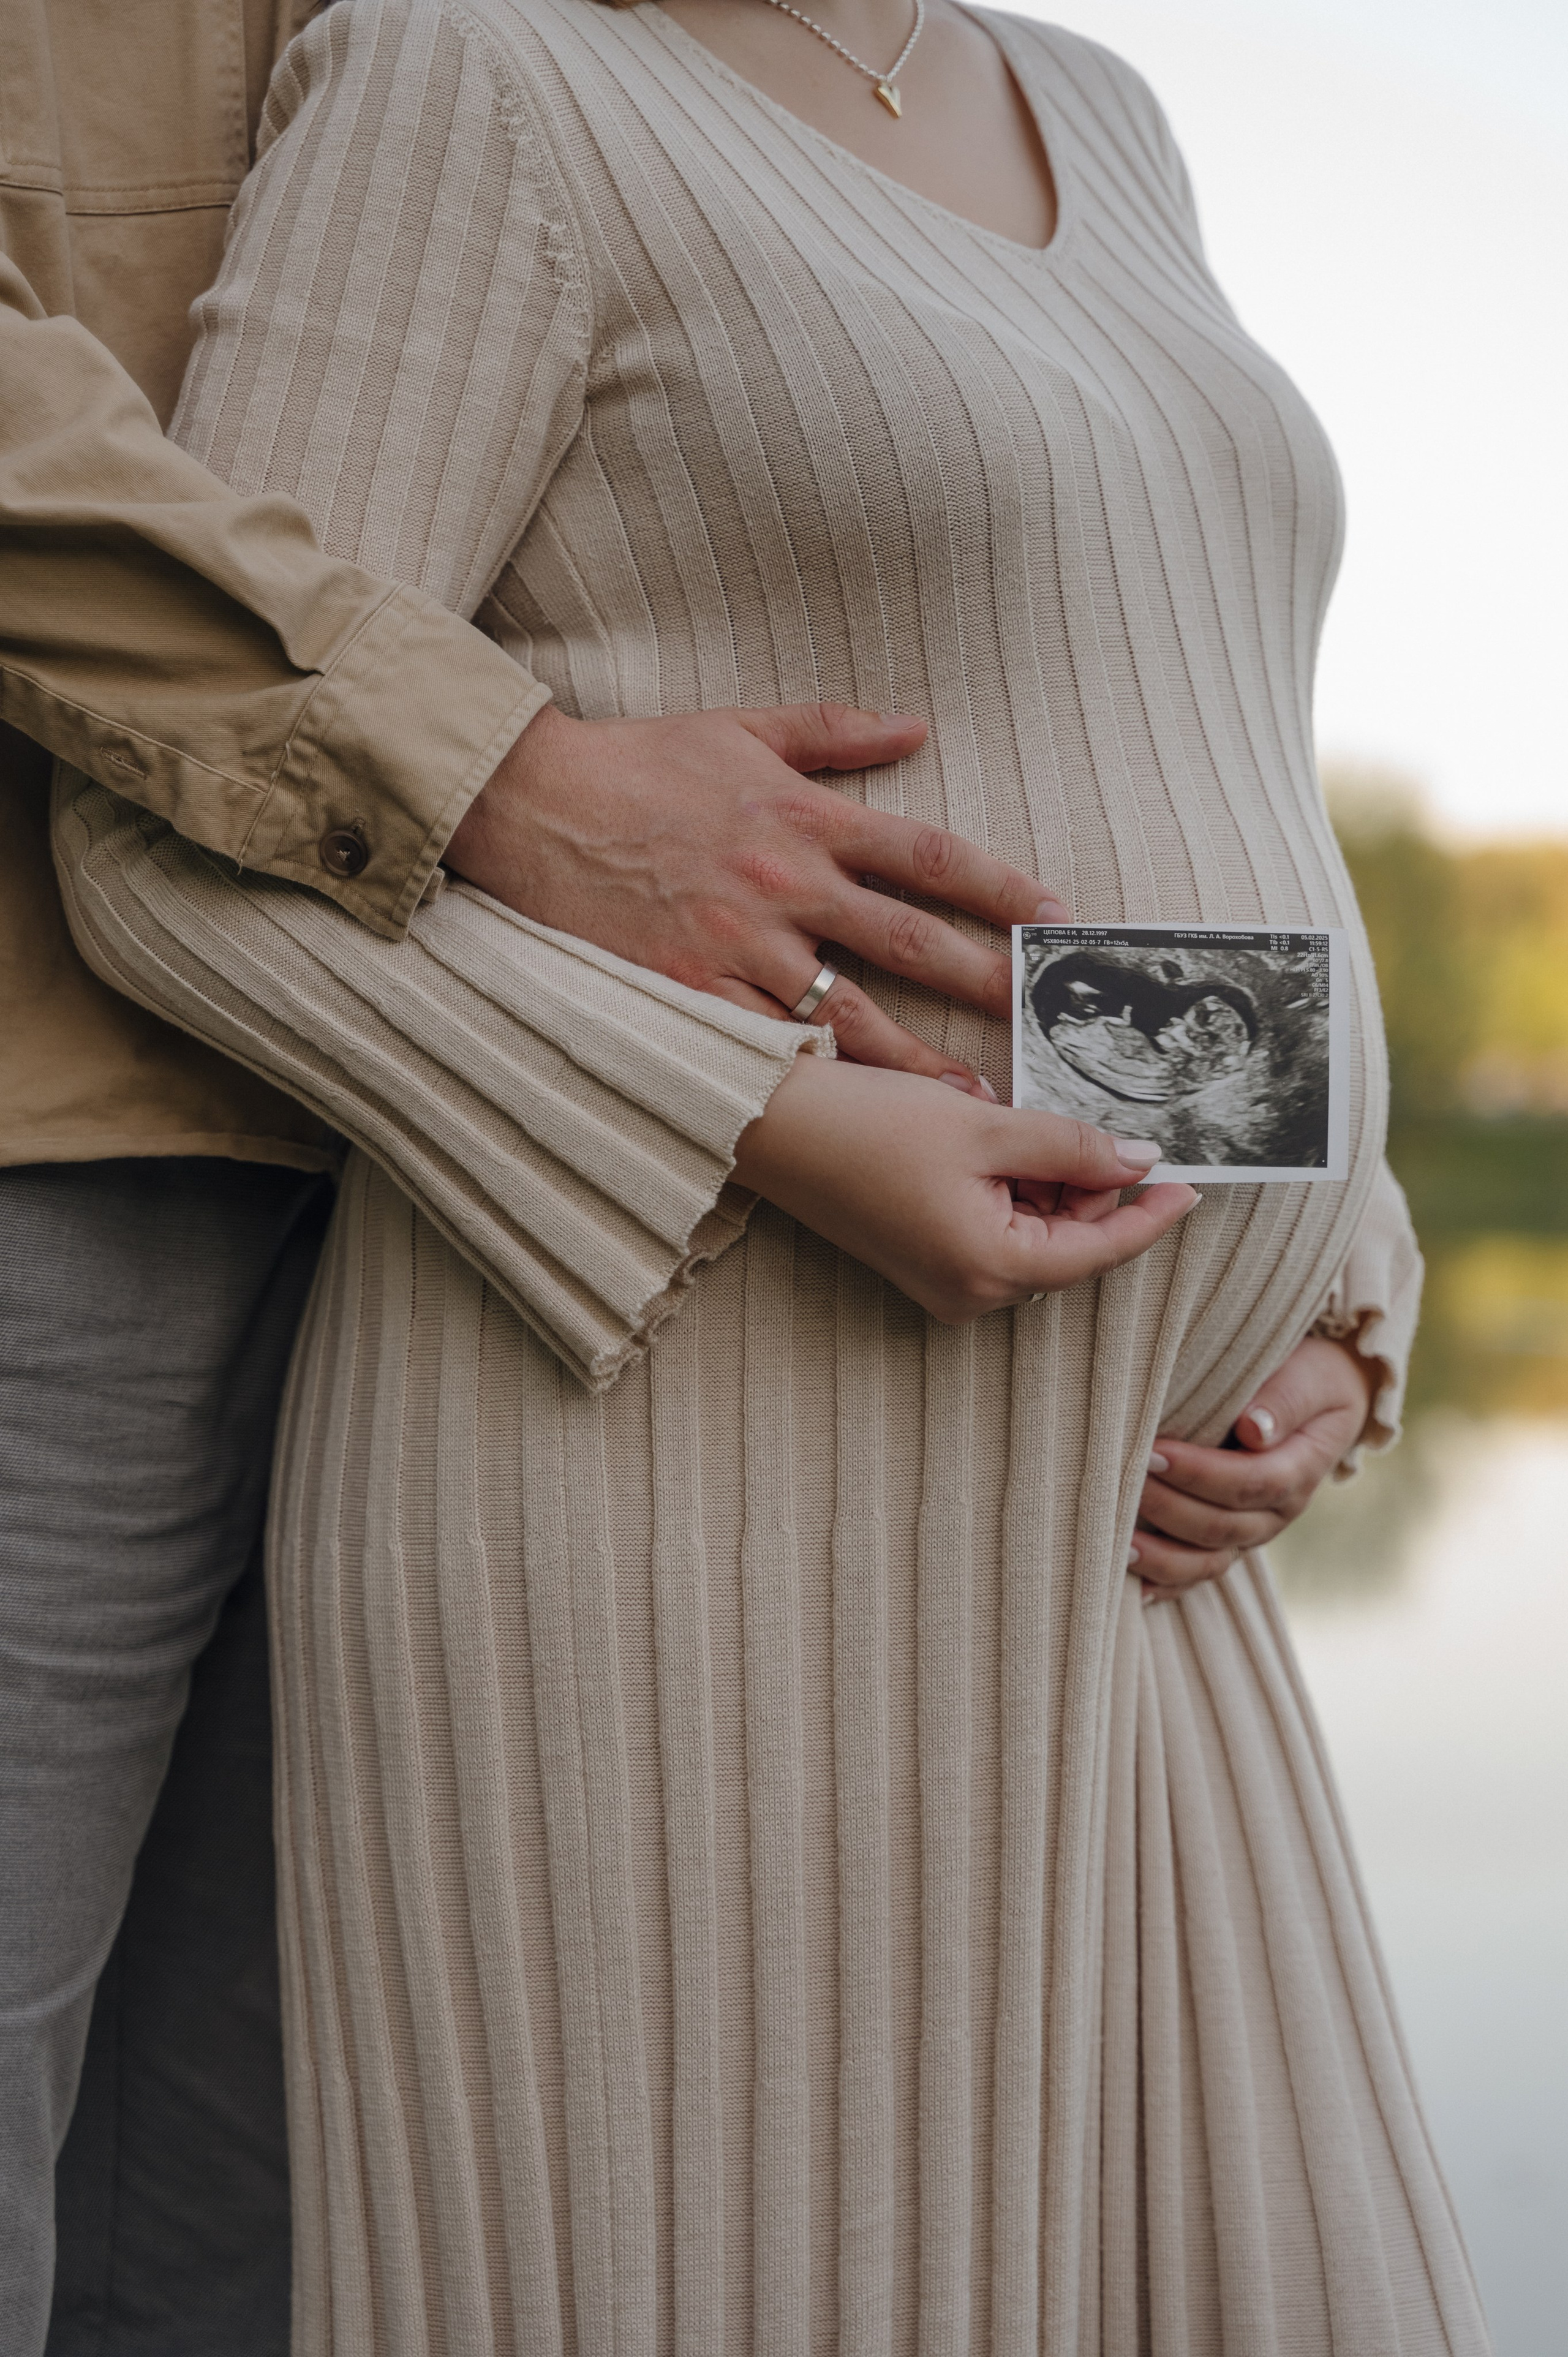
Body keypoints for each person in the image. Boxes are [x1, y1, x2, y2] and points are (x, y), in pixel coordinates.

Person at [51, 0, 1490, 2346]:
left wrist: (1338, 1280)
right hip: (698, 1483)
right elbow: (172, 842)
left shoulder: (1096, 111)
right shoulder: (475, 74)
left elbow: (1166, 715)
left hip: (1146, 1542)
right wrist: (760, 1122)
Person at [1, 6, 1069, 2351]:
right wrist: (479, 763)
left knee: (285, 2232)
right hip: (67, 1137)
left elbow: (1092, 670)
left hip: (549, 1251)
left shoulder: (1037, 106)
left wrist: (1319, 1234)